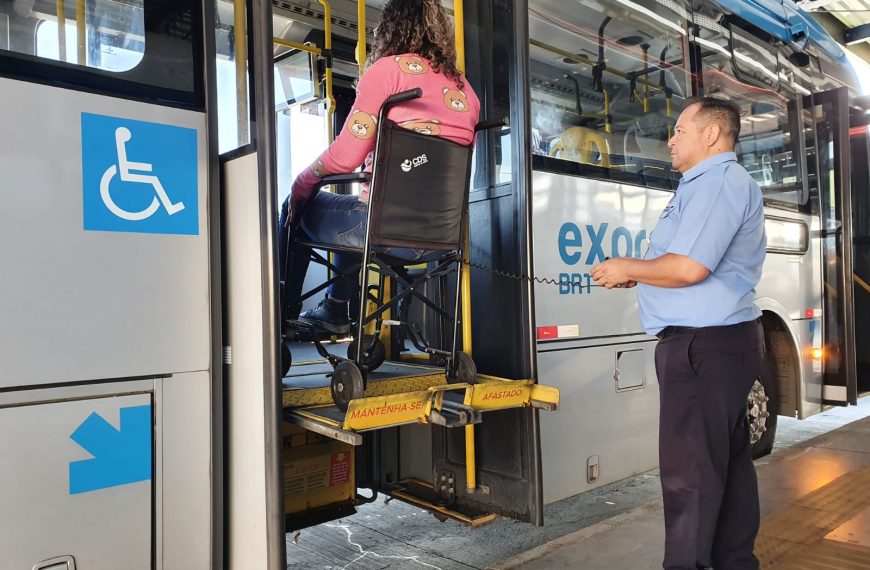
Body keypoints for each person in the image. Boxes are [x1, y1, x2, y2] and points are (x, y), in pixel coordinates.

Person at [590, 97, 766, 570]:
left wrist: (629, 265)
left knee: (690, 477)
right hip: (716, 344)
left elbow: (690, 267)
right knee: (723, 469)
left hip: (703, 347)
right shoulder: (704, 185)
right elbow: (682, 263)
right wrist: (643, 274)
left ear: (711, 134)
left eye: (680, 129)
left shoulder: (719, 182)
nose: (670, 139)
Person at [279, 0, 481, 335]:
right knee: (359, 206)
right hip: (442, 235)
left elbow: (346, 157)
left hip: (384, 231)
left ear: (391, 27)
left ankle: (282, 318)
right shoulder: (465, 90)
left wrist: (302, 184)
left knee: (297, 206)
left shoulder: (387, 71)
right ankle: (335, 308)